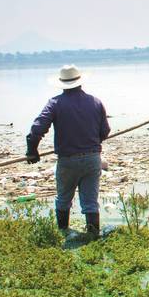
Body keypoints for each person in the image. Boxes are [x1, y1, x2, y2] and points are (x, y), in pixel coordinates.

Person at [26, 65, 110, 240]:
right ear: (80, 82)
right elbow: (105, 131)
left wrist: (32, 150)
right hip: (92, 159)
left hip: (68, 161)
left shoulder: (55, 103)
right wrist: (93, 140)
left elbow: (37, 128)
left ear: (62, 84)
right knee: (90, 202)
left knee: (64, 199)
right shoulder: (96, 102)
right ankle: (93, 237)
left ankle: (63, 233)